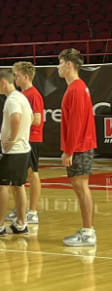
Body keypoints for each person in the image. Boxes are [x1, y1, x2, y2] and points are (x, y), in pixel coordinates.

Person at [58, 48, 97, 247]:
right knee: (80, 187)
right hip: (81, 145)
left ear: (69, 65)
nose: (58, 67)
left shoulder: (76, 88)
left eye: (60, 63)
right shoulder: (77, 87)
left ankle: (88, 232)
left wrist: (69, 150)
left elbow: (76, 122)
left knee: (81, 187)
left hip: (80, 146)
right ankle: (87, 230)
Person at [0, 69, 33, 237]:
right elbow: (30, 117)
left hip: (14, 150)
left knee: (2, 187)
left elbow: (16, 118)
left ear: (4, 82)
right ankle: (21, 223)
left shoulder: (13, 99)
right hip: (24, 149)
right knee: (19, 186)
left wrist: (13, 139)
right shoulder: (22, 97)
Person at [12, 61, 44, 224]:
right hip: (24, 138)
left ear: (25, 77)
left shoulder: (33, 94)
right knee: (21, 174)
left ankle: (32, 211)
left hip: (32, 138)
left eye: (16, 75)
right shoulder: (23, 94)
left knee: (33, 174)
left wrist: (19, 121)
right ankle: (21, 207)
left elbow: (37, 119)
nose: (14, 78)